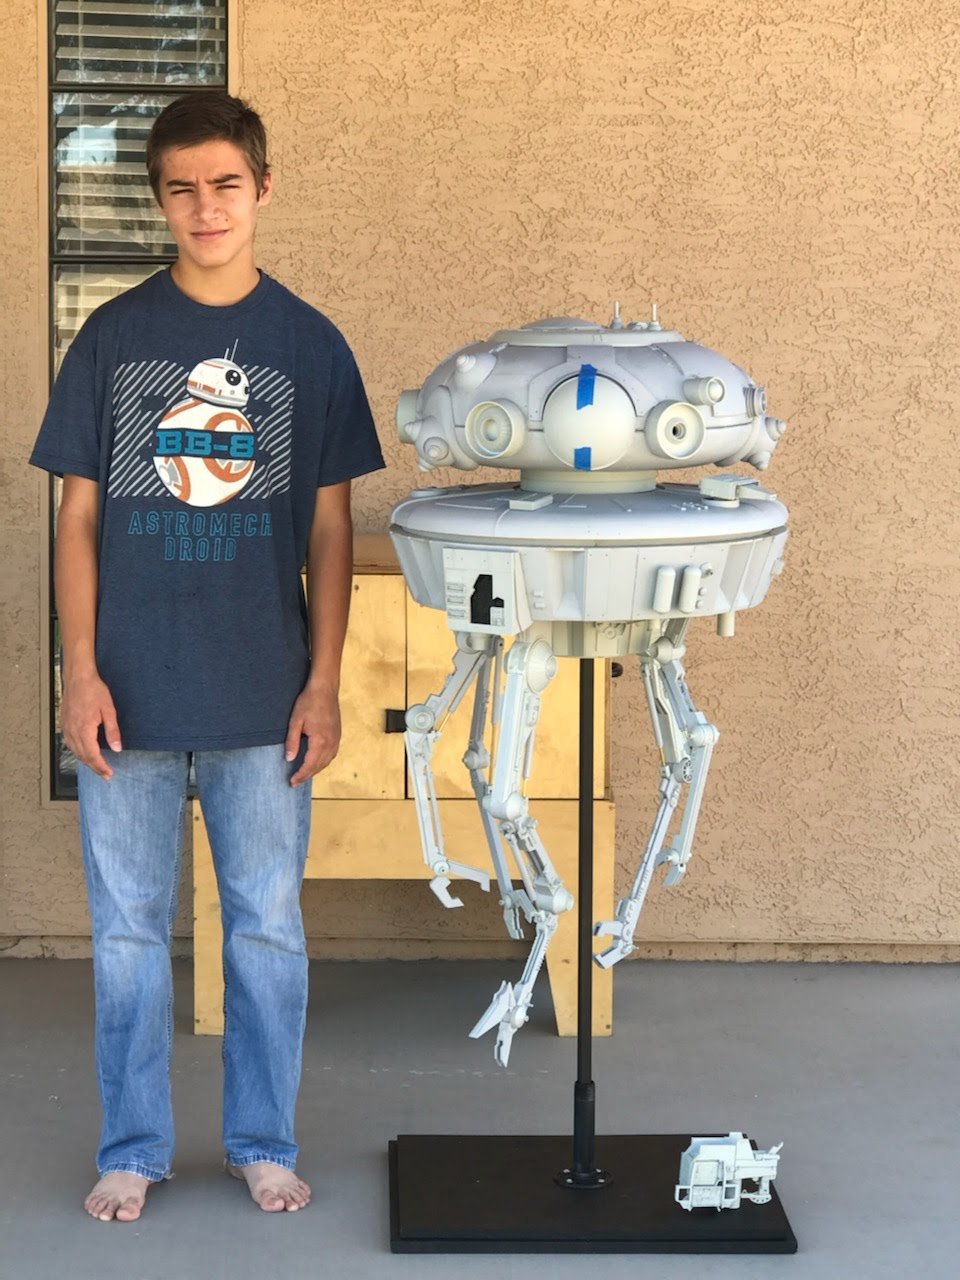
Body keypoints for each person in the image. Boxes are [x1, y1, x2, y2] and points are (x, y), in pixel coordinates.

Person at [29, 92, 386, 1223]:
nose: (205, 207)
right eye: (181, 188)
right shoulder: (111, 338)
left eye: (226, 183)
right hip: (127, 695)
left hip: (262, 693)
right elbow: (77, 518)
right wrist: (78, 670)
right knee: (129, 934)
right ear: (160, 202)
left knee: (267, 931)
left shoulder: (311, 345)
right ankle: (132, 1147)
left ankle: (262, 1141)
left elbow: (330, 530)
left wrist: (323, 683)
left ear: (262, 188)